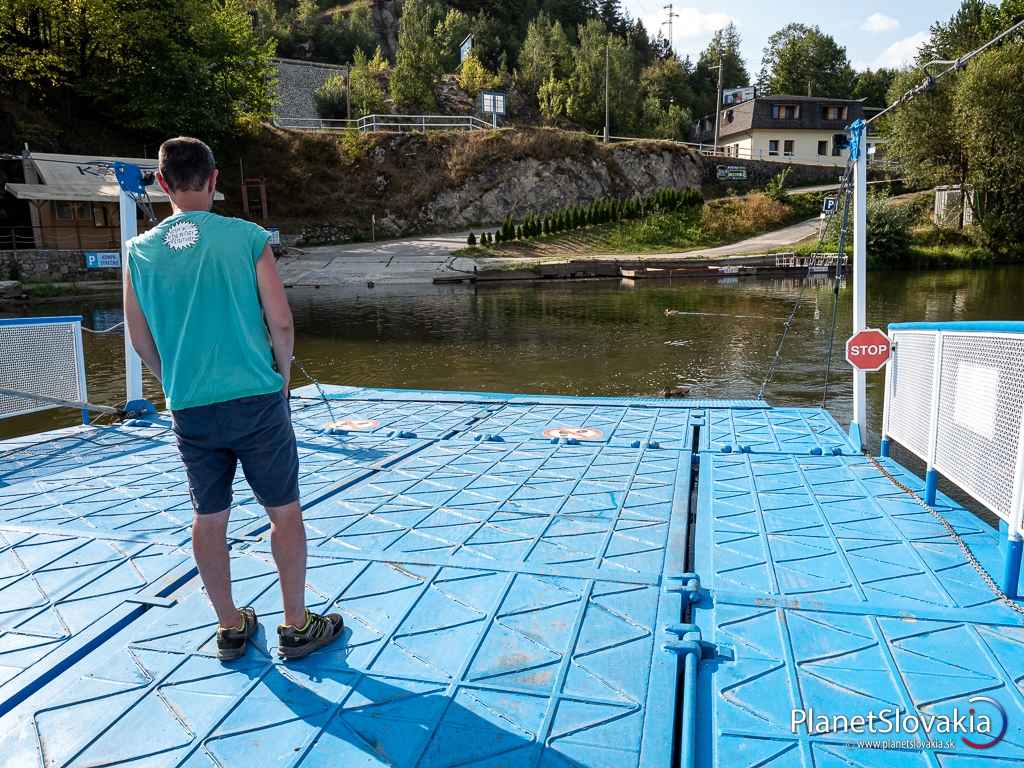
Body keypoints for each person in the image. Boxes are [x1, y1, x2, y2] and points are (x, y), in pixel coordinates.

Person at [122, 136, 342, 661]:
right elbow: (281, 320)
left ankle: (229, 626)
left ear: (161, 183)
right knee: (283, 513)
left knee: (210, 515)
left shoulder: (139, 252)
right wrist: (281, 376)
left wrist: (173, 380)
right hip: (257, 400)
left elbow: (138, 337)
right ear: (215, 180)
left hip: (191, 406)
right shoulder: (247, 237)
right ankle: (295, 624)